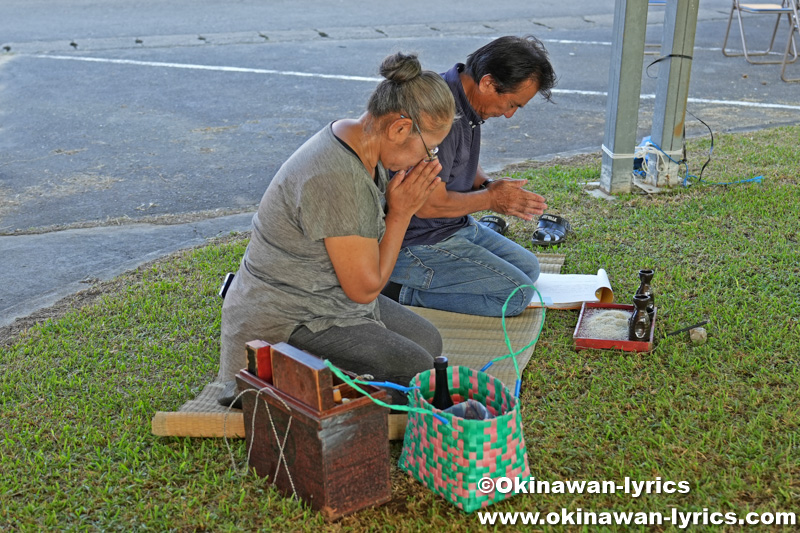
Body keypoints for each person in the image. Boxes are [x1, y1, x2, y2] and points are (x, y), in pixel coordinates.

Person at [217, 52, 456, 407]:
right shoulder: (337, 178)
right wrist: (401, 214)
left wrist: (398, 207)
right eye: (430, 148)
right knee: (417, 369)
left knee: (429, 343)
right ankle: (276, 382)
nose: (429, 160)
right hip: (287, 317)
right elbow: (365, 289)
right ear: (400, 128)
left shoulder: (358, 136)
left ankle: (336, 381)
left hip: (327, 296)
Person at [385, 35, 557, 317]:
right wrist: (491, 199)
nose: (510, 114)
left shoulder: (466, 100)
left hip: (454, 225)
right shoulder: (439, 113)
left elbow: (456, 160)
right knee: (516, 296)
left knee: (529, 268)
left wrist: (488, 184)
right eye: (512, 104)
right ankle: (399, 291)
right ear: (488, 83)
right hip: (417, 241)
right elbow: (428, 205)